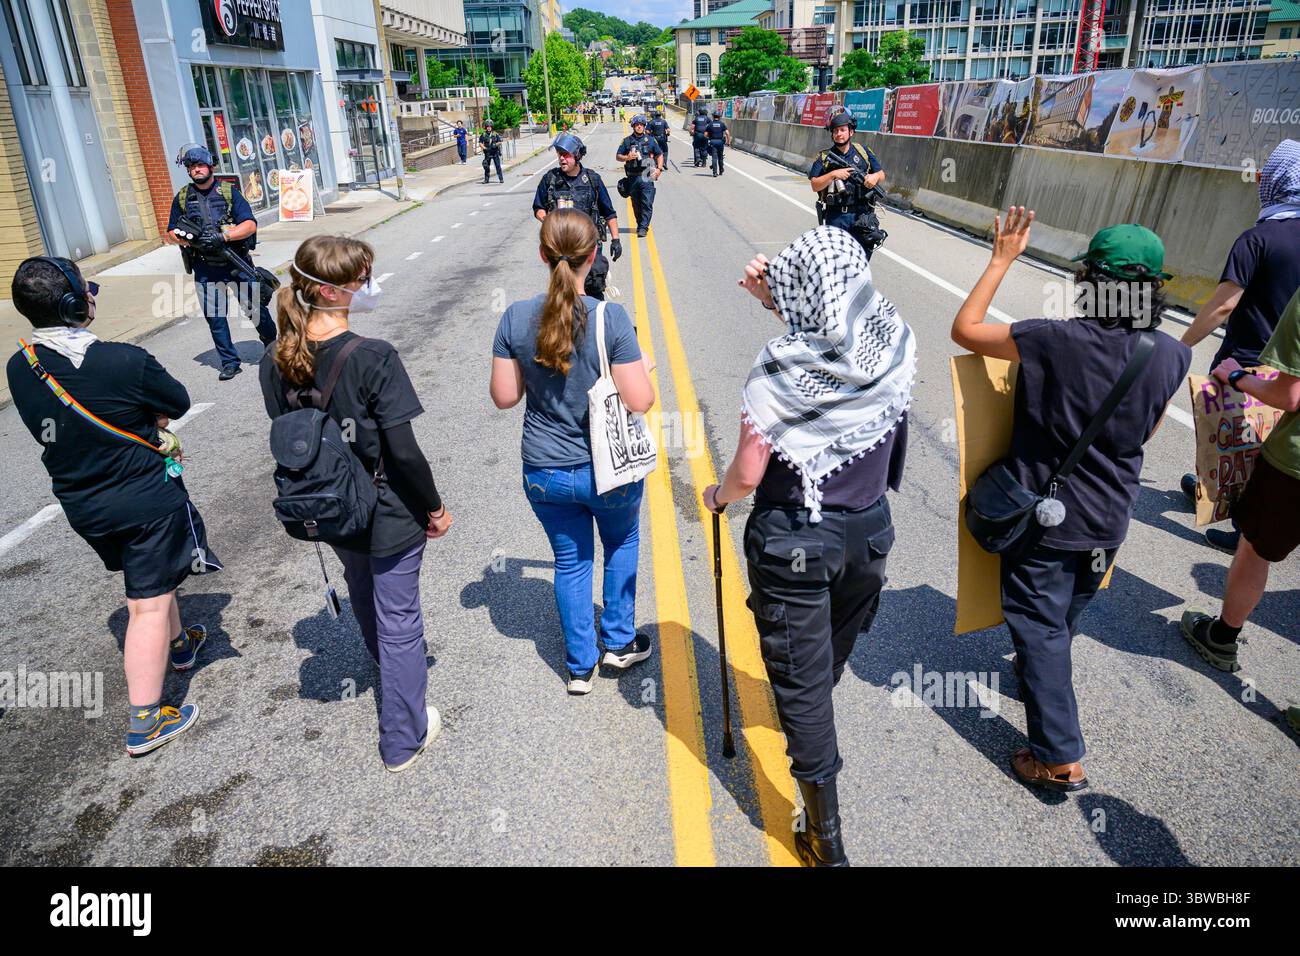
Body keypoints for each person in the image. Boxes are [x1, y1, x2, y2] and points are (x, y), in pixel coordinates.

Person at [952, 213, 1191, 793]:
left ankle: (1059, 757)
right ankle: (1040, 675)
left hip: (1045, 515)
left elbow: (966, 328)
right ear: (1152, 290)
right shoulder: (1170, 356)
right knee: (1063, 613)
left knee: (1038, 624)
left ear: (1092, 283)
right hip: (1109, 519)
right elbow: (1149, 431)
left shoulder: (1052, 339)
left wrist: (1001, 258)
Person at [703, 228, 913, 867]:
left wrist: (715, 497)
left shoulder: (780, 367)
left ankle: (826, 840)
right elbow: (831, 331)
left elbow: (746, 471)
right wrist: (776, 300)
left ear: (803, 294)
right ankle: (810, 718)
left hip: (797, 538)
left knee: (802, 691)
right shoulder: (892, 336)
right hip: (868, 535)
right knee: (822, 665)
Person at [7, 257, 222, 756]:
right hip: (143, 499)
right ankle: (146, 720)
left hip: (85, 505)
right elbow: (178, 399)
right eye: (87, 288)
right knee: (145, 602)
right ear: (76, 303)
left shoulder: (21, 365)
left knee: (153, 576)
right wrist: (151, 421)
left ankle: (180, 645)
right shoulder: (124, 359)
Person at [259, 235, 452, 773]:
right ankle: (402, 738)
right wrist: (433, 508)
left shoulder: (274, 363)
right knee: (400, 618)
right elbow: (404, 453)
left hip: (329, 505)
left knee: (362, 588)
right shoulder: (372, 356)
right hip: (386, 505)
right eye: (361, 279)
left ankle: (384, 670)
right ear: (332, 290)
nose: (369, 287)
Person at [490, 210, 656, 695]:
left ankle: (579, 666)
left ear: (543, 255)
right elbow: (639, 400)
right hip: (609, 470)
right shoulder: (610, 316)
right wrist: (642, 364)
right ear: (594, 255)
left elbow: (505, 397)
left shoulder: (516, 316)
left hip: (546, 469)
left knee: (571, 560)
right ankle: (619, 643)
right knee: (621, 543)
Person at [1177, 139, 1300, 552]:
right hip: (1291, 364)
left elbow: (1225, 304)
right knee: (1263, 441)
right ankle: (1212, 489)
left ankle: (1234, 516)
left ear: (1277, 181)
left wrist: (1183, 344)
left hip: (1247, 356)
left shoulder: (1258, 238)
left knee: (1230, 436)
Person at [1181, 285, 1300, 677]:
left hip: (1294, 466)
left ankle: (1221, 637)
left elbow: (1289, 395)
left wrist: (1236, 377)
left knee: (1254, 549)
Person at [165, 144, 277, 381]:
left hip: (235, 263)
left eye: (200, 165)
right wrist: (191, 241)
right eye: (192, 167)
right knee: (215, 317)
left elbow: (249, 224)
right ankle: (229, 362)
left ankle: (271, 343)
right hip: (205, 267)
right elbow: (171, 231)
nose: (196, 170)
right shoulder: (184, 197)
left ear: (211, 166)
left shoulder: (228, 192)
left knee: (256, 310)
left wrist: (223, 236)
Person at [533, 132, 623, 300]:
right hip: (561, 246)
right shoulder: (550, 179)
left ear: (577, 156)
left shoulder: (592, 180)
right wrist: (551, 222)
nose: (561, 159)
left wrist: (616, 240)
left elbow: (609, 213)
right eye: (560, 155)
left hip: (588, 246)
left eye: (566, 155)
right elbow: (538, 208)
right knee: (563, 293)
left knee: (593, 290)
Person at [808, 111, 887, 259]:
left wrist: (874, 177)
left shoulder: (863, 152)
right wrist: (833, 174)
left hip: (862, 216)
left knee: (861, 261)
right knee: (837, 263)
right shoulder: (824, 157)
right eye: (835, 131)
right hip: (837, 216)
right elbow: (815, 185)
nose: (839, 134)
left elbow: (882, 174)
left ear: (851, 132)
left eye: (843, 130)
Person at [616, 114, 663, 238]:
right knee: (636, 204)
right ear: (633, 126)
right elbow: (618, 156)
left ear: (644, 126)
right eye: (637, 125)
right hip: (632, 176)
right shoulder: (627, 141)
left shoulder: (651, 140)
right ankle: (640, 223)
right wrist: (627, 157)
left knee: (647, 203)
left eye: (641, 125)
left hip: (647, 174)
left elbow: (659, 154)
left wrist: (659, 169)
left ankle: (643, 227)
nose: (639, 127)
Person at [706, 108, 731, 177]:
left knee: (714, 158)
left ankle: (714, 172)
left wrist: (709, 138)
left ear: (713, 116)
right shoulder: (722, 124)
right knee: (720, 157)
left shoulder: (710, 124)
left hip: (713, 142)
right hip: (720, 142)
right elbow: (727, 133)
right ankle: (721, 170)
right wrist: (728, 142)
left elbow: (705, 134)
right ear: (719, 116)